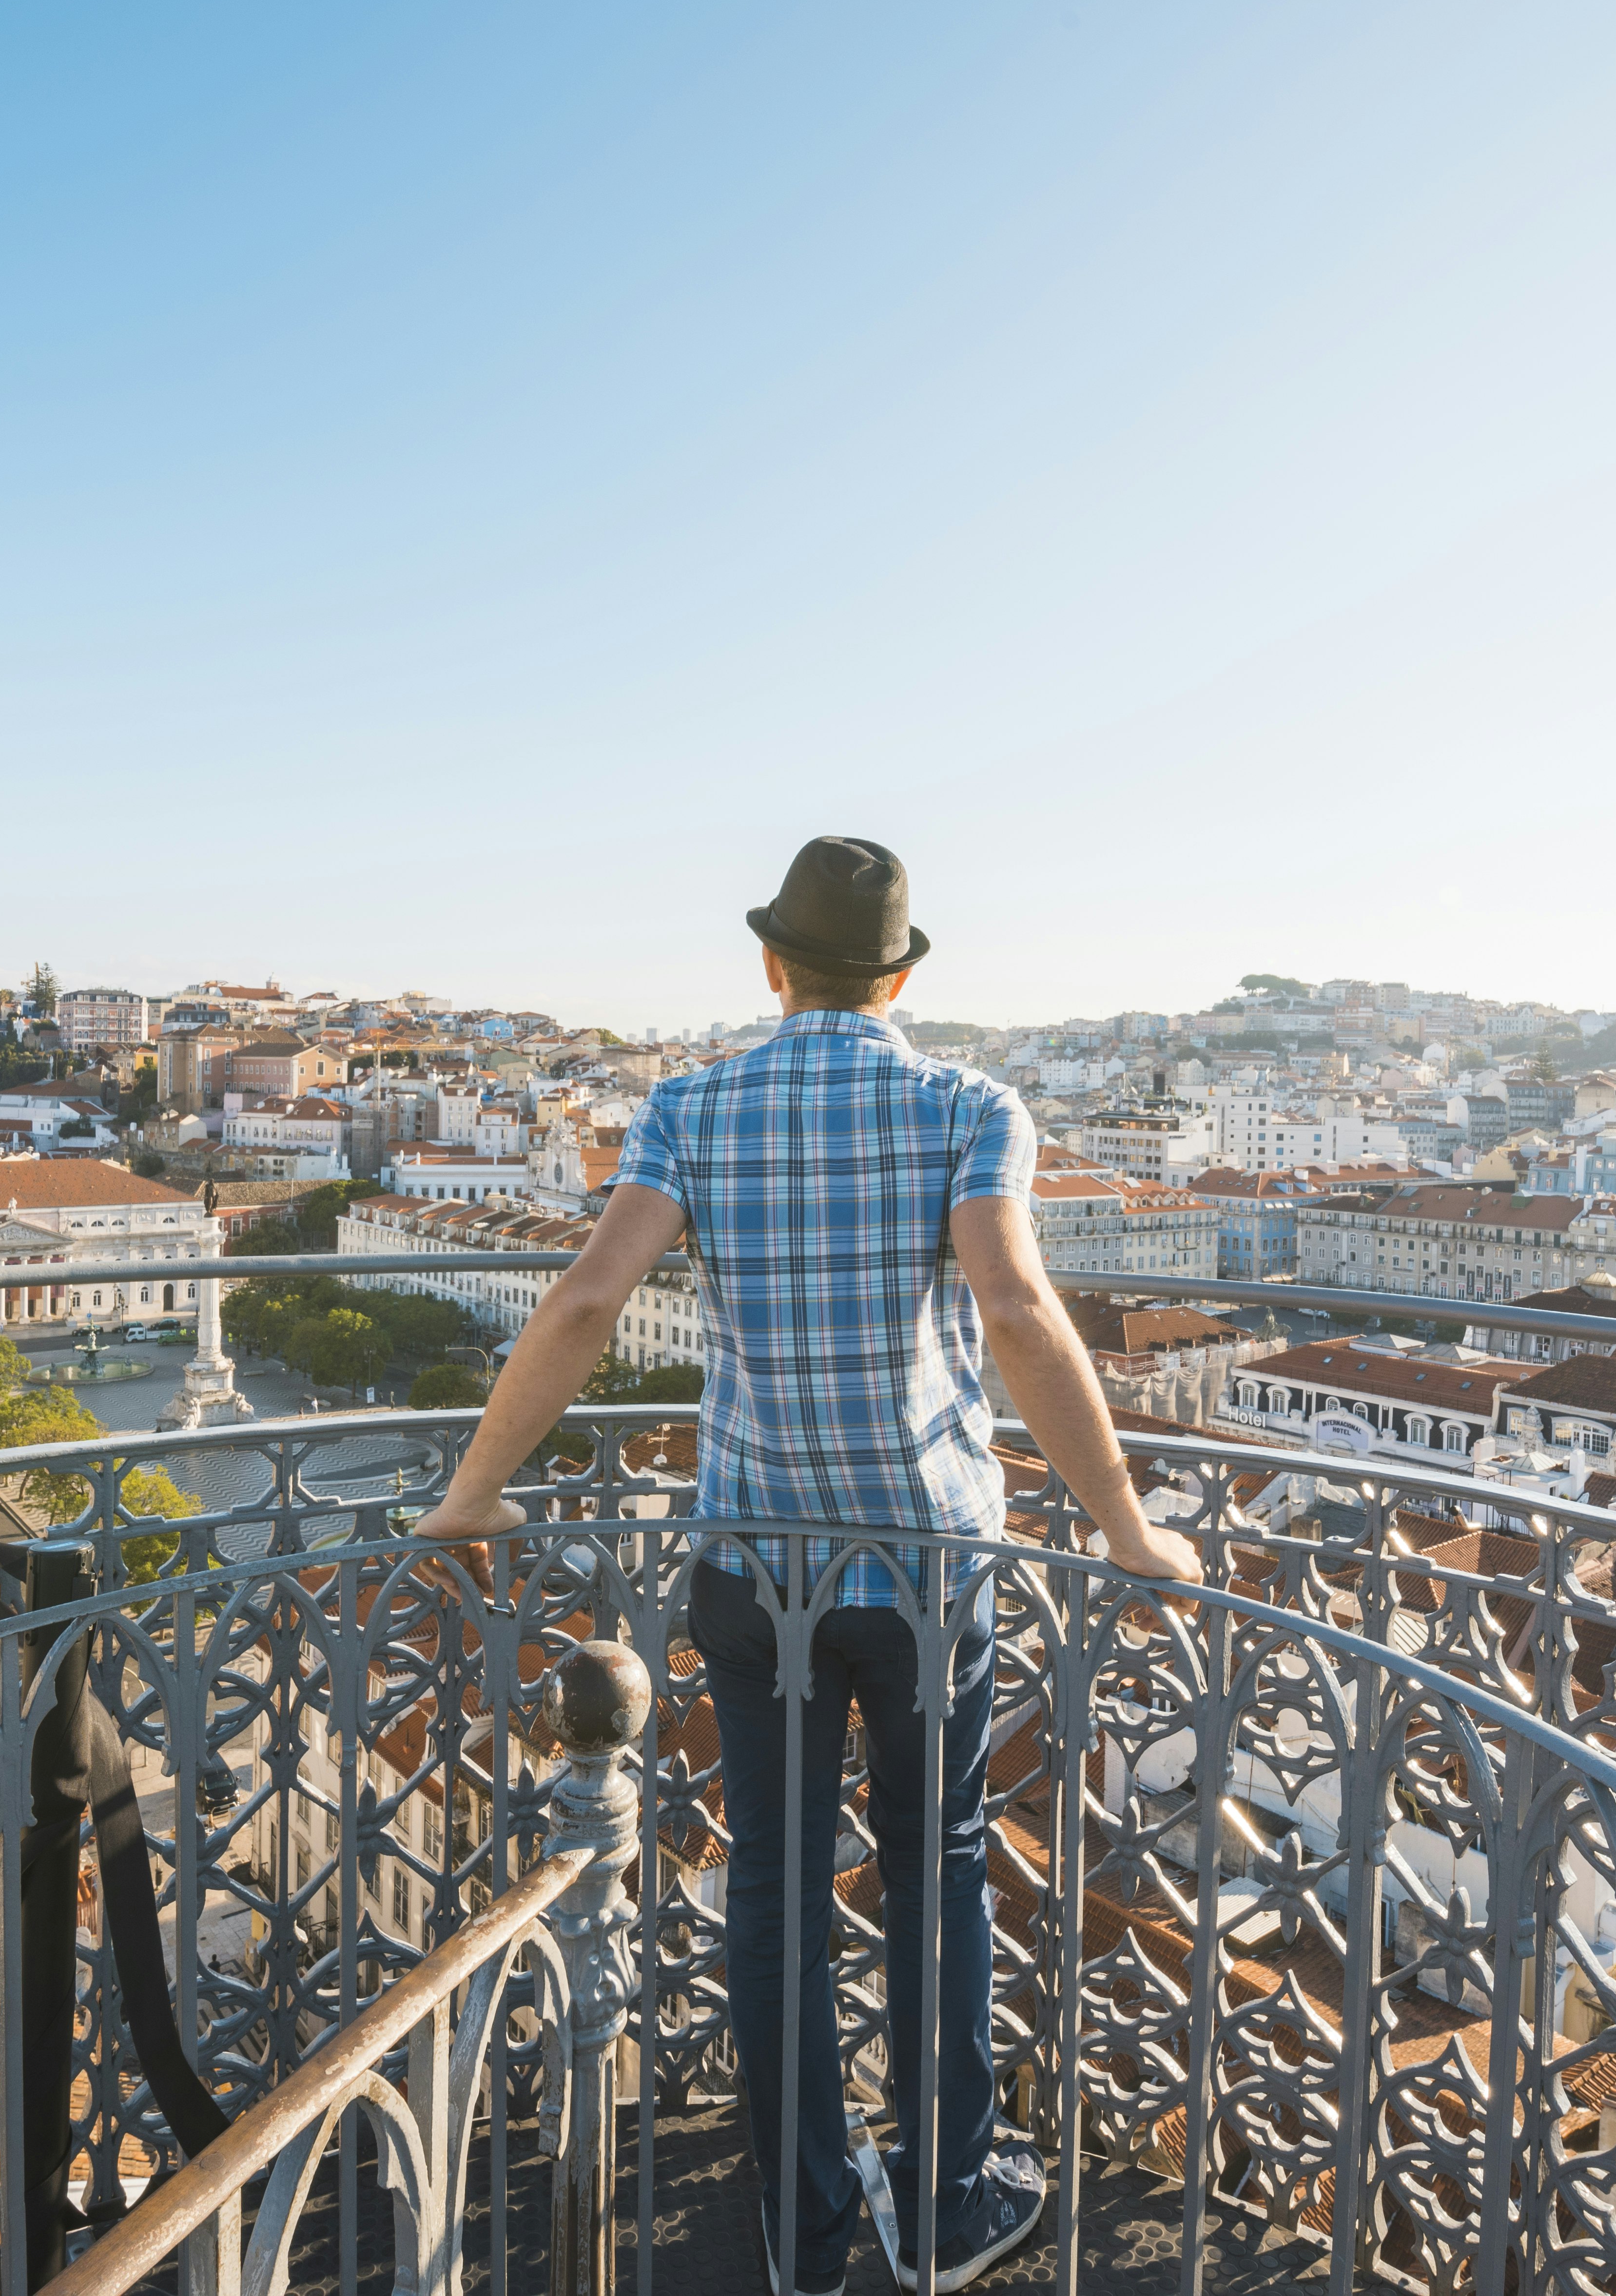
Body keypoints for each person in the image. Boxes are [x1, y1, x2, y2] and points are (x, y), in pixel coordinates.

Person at [415, 835, 1201, 2295]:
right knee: (937, 1867)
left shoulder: (692, 1107)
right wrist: (1123, 1524)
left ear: (772, 965)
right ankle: (952, 2205)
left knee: (774, 1883)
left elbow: (591, 1297)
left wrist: (472, 1493)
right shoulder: (970, 1104)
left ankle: (805, 2225)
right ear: (901, 975)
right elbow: (1017, 1310)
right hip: (922, 1564)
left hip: (755, 1563)